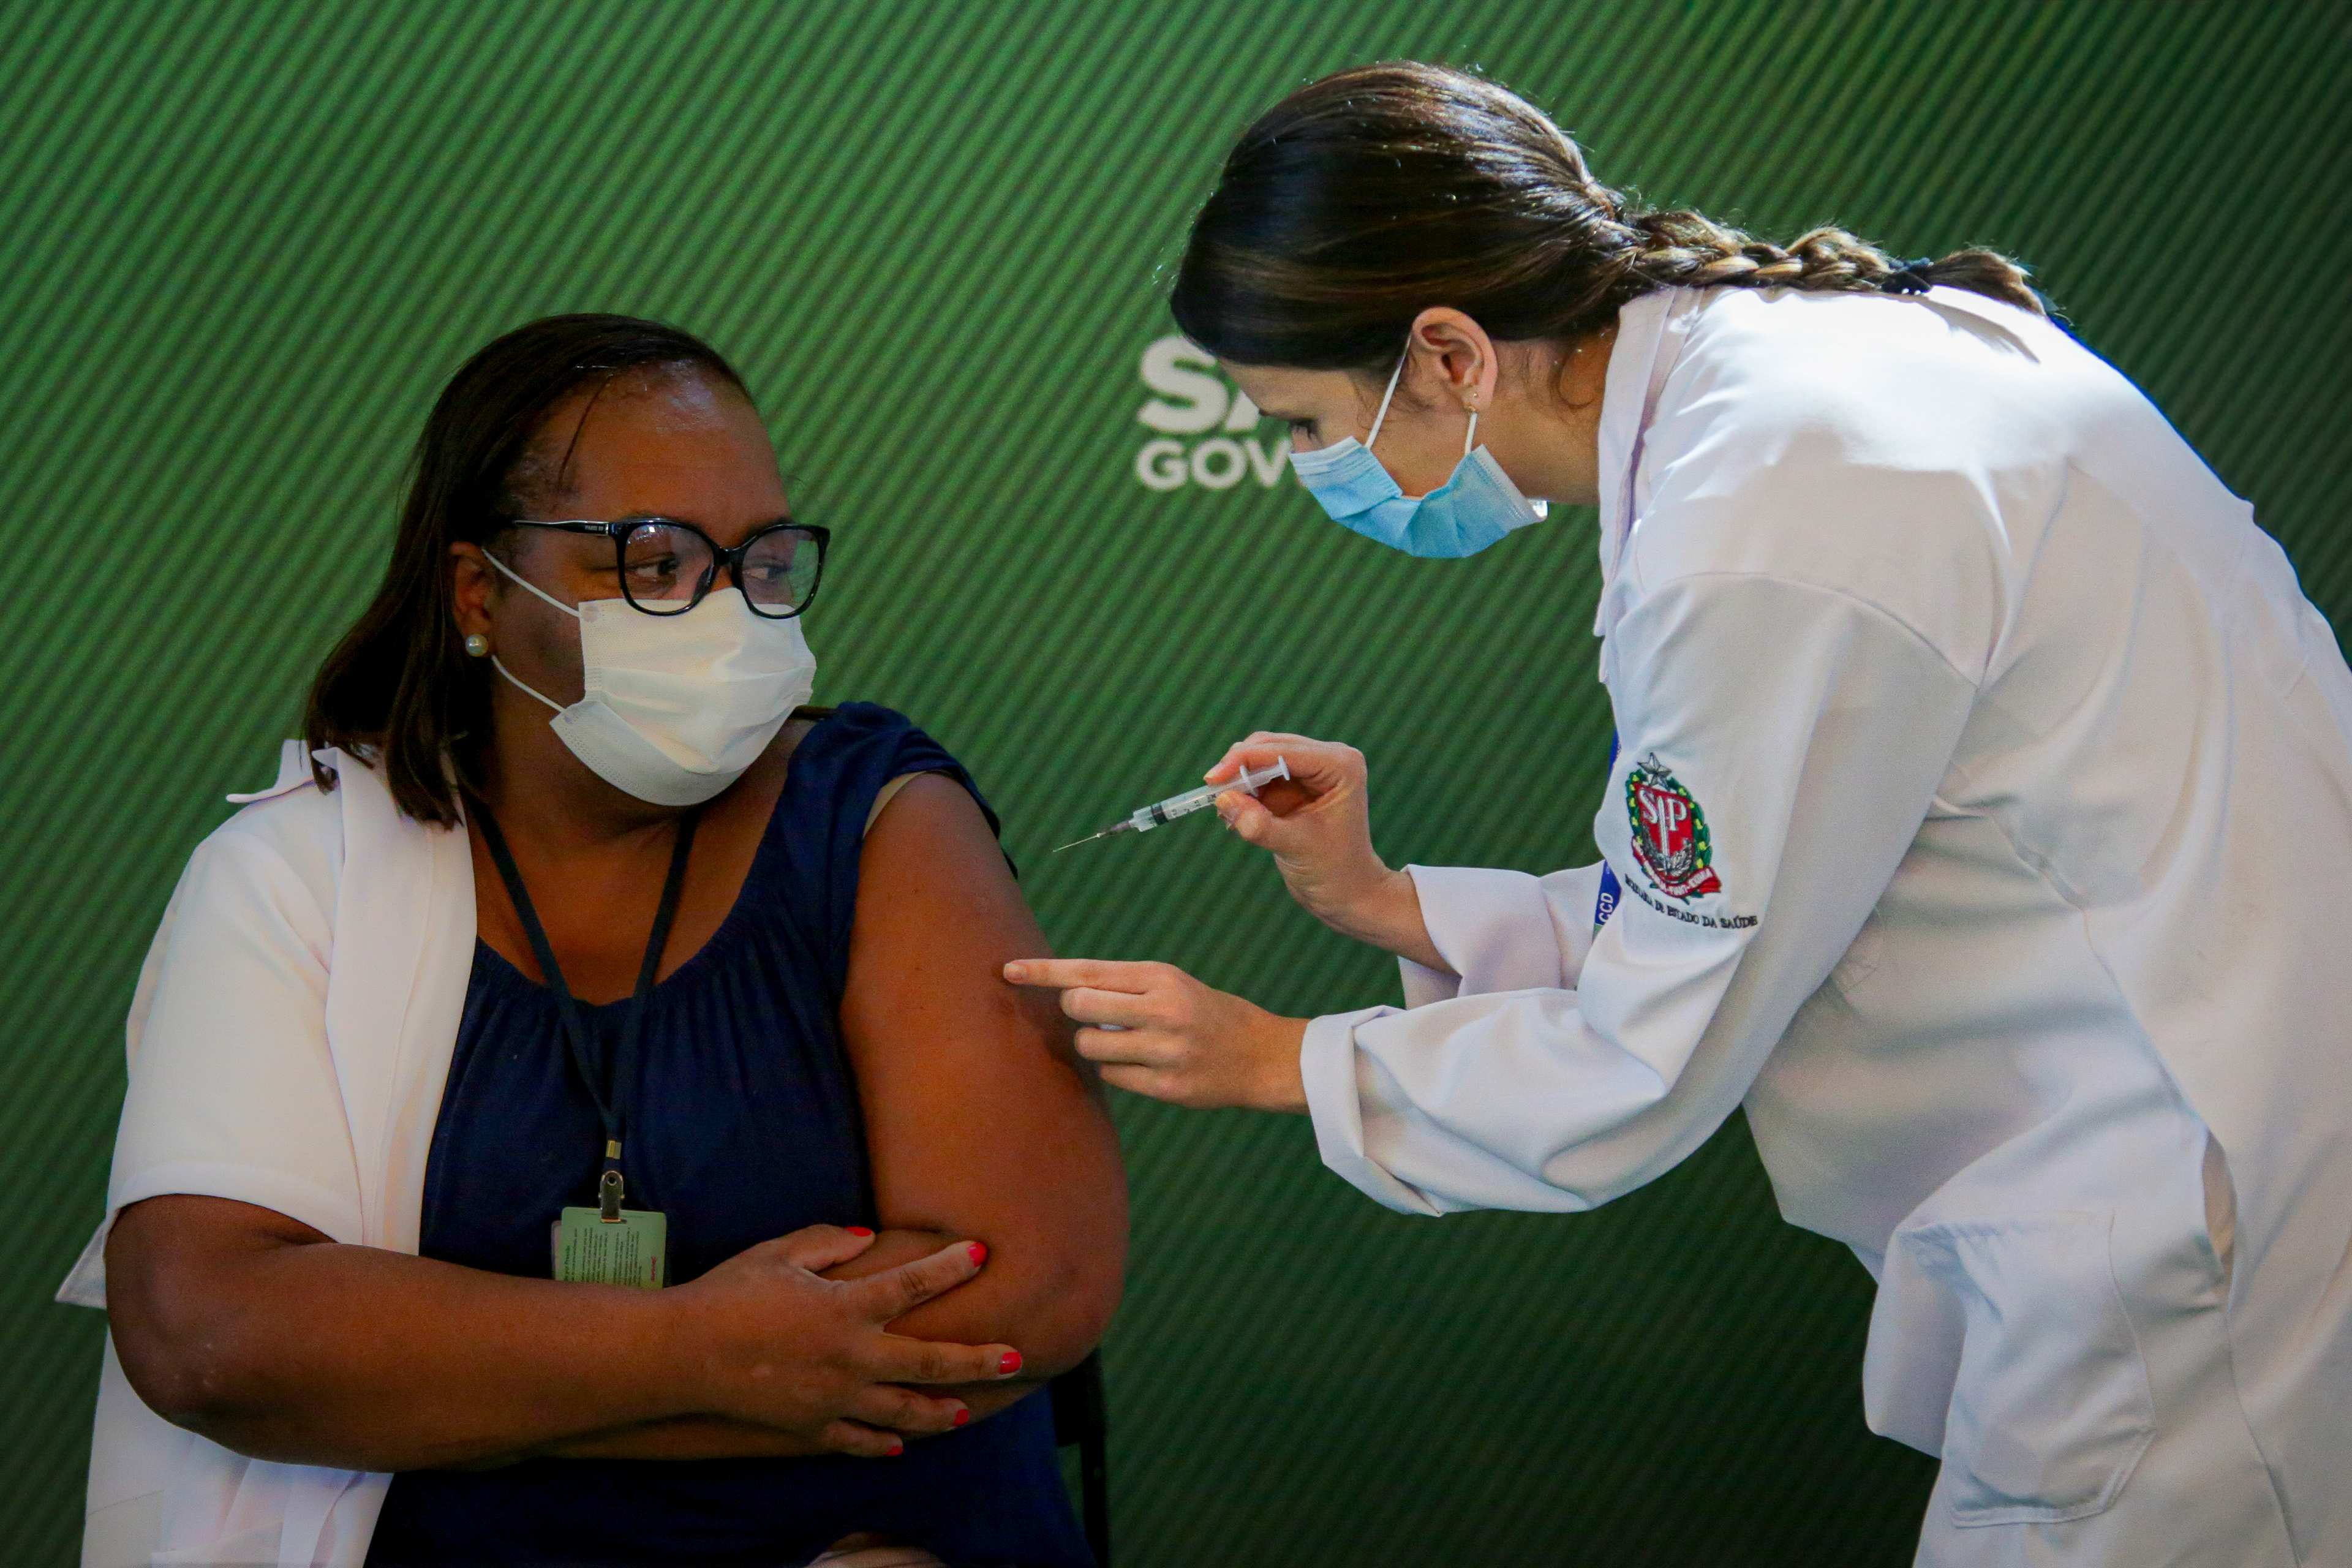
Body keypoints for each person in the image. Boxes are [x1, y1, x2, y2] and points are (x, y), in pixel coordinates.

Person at [1009, 62, 2350, 1564]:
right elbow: (1805, 870)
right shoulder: (1811, 380)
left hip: (2201, 1220)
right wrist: (1387, 900)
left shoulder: (1756, 520)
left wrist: (1283, 1059)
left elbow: (1652, 1053)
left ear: (1447, 352)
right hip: (2209, 1132)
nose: (1311, 468)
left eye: (1307, 421)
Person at [64, 314, 1125, 1568]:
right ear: (481, 594)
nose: (726, 612)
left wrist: (454, 1384)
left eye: (761, 561)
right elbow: (207, 1332)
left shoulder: (879, 816)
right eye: (655, 562)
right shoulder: (298, 872)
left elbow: (1023, 1288)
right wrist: (710, 1353)